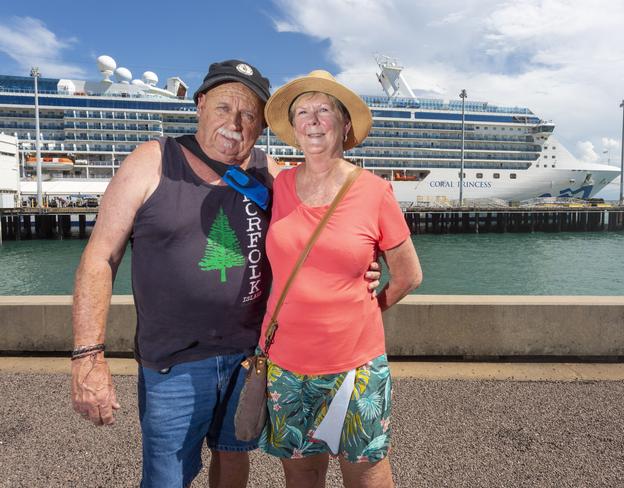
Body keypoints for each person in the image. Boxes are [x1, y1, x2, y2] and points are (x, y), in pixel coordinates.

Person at [70, 59, 380, 488]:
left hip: (248, 357)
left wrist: (364, 267)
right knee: (166, 477)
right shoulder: (152, 160)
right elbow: (100, 257)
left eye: (249, 114)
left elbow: (320, 236)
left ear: (261, 125)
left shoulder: (268, 173)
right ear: (199, 105)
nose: (235, 122)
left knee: (234, 463)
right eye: (222, 107)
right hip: (173, 363)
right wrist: (89, 358)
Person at [258, 70, 423, 488]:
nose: (313, 120)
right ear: (293, 129)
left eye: (324, 110)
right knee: (301, 477)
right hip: (284, 365)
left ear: (344, 124)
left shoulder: (373, 191)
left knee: (366, 476)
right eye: (302, 112)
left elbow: (407, 275)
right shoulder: (279, 184)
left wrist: (369, 304)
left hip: (356, 366)